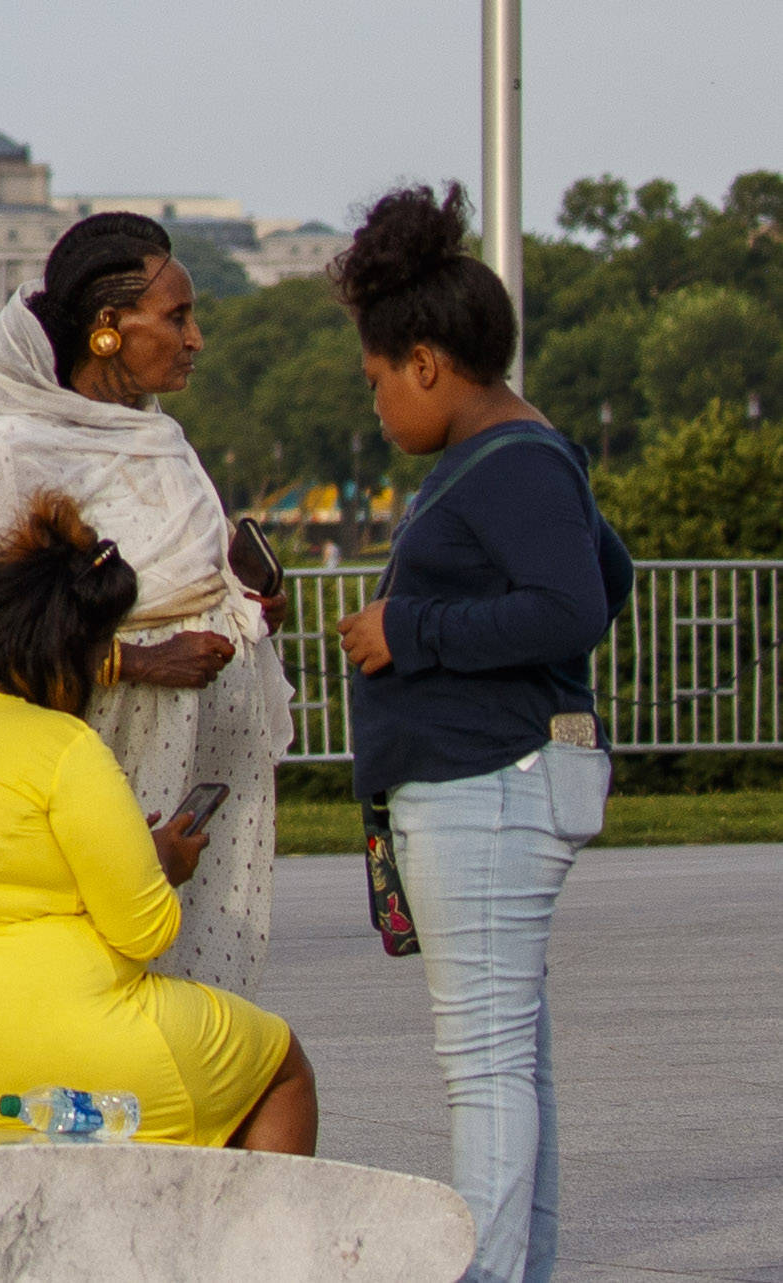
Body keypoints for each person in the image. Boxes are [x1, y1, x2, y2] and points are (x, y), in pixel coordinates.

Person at [329, 185, 631, 1283]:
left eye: (375, 386)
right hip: (492, 781)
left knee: (488, 1072)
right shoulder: (524, 451)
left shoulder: (508, 460)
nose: (376, 411)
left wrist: (407, 628)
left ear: (424, 364)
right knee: (513, 1069)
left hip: (486, 783)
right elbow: (607, 573)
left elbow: (570, 608)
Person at [0, 491, 314, 1151]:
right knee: (280, 1065)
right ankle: (248, 1253)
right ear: (64, 650)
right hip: (55, 1046)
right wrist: (160, 861)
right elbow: (146, 930)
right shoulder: (61, 746)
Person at [0, 209, 296, 995]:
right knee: (111, 968)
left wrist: (244, 606)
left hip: (210, 764)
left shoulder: (156, 432)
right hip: (112, 755)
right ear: (108, 326)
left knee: (207, 991)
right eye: (176, 317)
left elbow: (182, 576)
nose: (195, 337)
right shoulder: (17, 447)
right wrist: (141, 660)